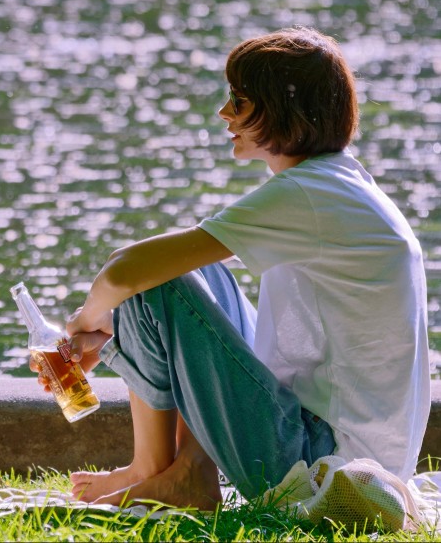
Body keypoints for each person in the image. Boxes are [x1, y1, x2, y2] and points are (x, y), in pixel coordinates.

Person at [37, 27, 430, 509]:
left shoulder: (308, 194)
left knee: (155, 280)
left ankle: (169, 476)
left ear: (283, 110)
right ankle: (167, 471)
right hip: (337, 444)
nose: (225, 113)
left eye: (239, 101)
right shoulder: (338, 181)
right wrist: (110, 332)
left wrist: (83, 325)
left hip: (322, 466)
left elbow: (124, 271)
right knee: (200, 275)